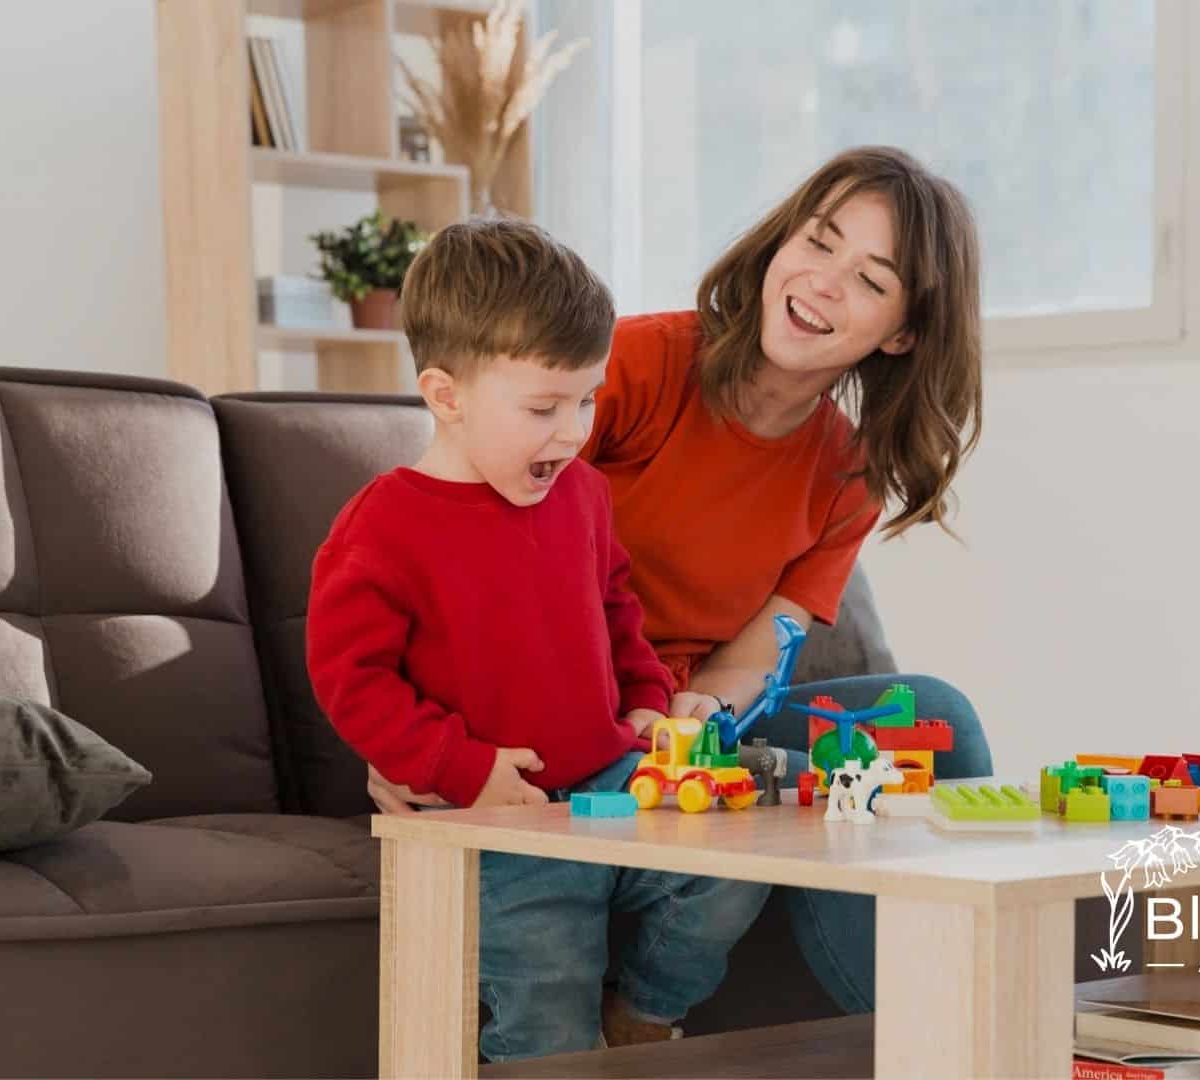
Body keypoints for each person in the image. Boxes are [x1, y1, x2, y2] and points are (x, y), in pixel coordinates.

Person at [367, 146, 995, 1016]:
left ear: (902, 331)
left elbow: (754, 653)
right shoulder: (634, 367)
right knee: (828, 783)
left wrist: (704, 716)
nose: (822, 282)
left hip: (671, 721)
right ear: (781, 243)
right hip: (549, 707)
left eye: (870, 278)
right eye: (818, 242)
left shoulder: (844, 473)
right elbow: (462, 529)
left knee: (935, 719)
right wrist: (407, 736)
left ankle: (953, 1035)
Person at [305, 216, 770, 1060]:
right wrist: (459, 766)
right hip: (496, 822)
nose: (573, 429)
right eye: (544, 406)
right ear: (446, 396)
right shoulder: (384, 526)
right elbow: (352, 678)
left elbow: (617, 610)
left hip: (611, 777)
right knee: (548, 1032)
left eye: (587, 398)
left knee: (733, 859)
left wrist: (645, 702)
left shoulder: (583, 495)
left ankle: (644, 1012)